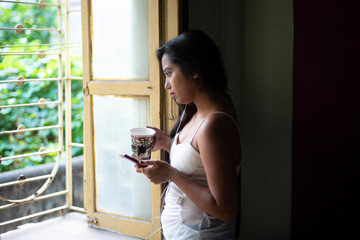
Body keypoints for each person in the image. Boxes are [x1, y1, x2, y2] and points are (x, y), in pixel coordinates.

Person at [135, 30, 242, 239]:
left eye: (168, 73)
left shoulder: (214, 124)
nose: (166, 85)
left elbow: (226, 210)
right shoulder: (199, 111)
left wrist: (171, 175)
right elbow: (200, 160)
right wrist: (168, 142)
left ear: (194, 70)